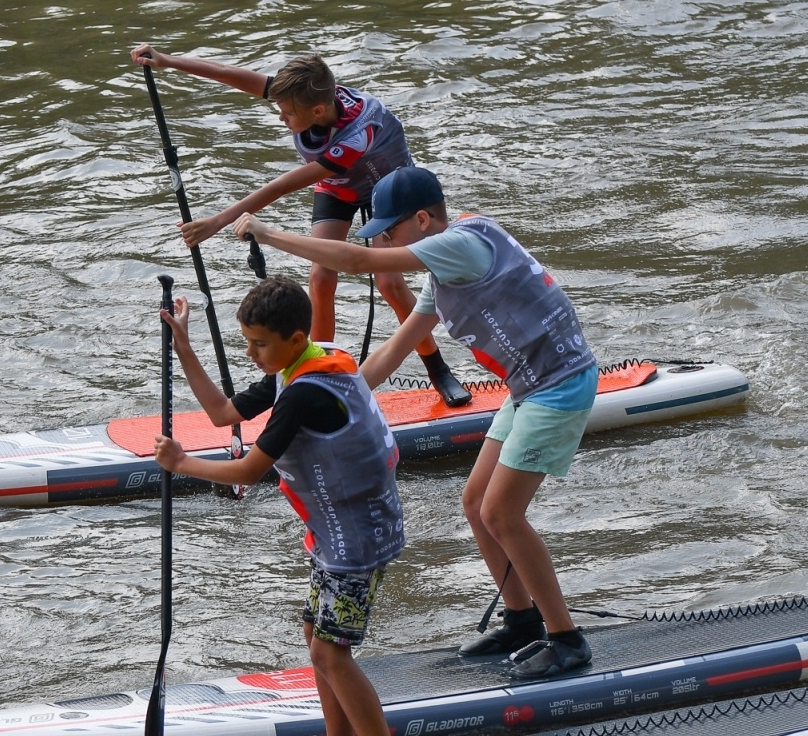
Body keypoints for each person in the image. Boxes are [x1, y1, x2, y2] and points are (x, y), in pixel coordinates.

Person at [230, 167, 597, 679]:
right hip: (529, 388)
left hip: (560, 385)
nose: (384, 241)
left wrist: (268, 233)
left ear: (424, 220)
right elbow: (389, 354)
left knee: (502, 512)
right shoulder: (445, 273)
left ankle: (566, 638)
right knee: (475, 504)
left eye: (390, 231)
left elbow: (356, 260)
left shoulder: (458, 244)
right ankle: (521, 620)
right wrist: (330, 389)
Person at [153, 276, 417, 736]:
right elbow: (225, 414)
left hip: (357, 542)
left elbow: (250, 469)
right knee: (314, 638)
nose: (251, 354)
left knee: (331, 654)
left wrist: (182, 464)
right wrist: (184, 347)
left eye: (260, 344)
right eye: (247, 342)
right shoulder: (301, 366)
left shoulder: (303, 392)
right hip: (335, 535)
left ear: (296, 338)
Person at [131, 43, 470, 407]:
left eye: (287, 113)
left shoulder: (356, 134)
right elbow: (232, 74)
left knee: (389, 283)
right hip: (339, 188)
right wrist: (168, 61)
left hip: (385, 190)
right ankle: (316, 375)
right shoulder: (306, 94)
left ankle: (437, 369)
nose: (281, 118)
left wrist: (217, 221)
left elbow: (283, 185)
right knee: (321, 279)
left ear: (319, 110)